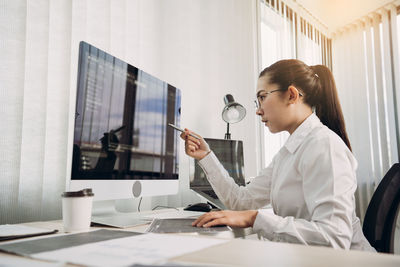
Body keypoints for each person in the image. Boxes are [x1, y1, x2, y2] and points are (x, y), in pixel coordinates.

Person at [180, 59, 375, 251]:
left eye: (262, 97)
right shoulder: (288, 153)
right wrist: (205, 156)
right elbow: (241, 201)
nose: (258, 110)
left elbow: (333, 239)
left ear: (291, 95)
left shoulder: (324, 145)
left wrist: (255, 218)